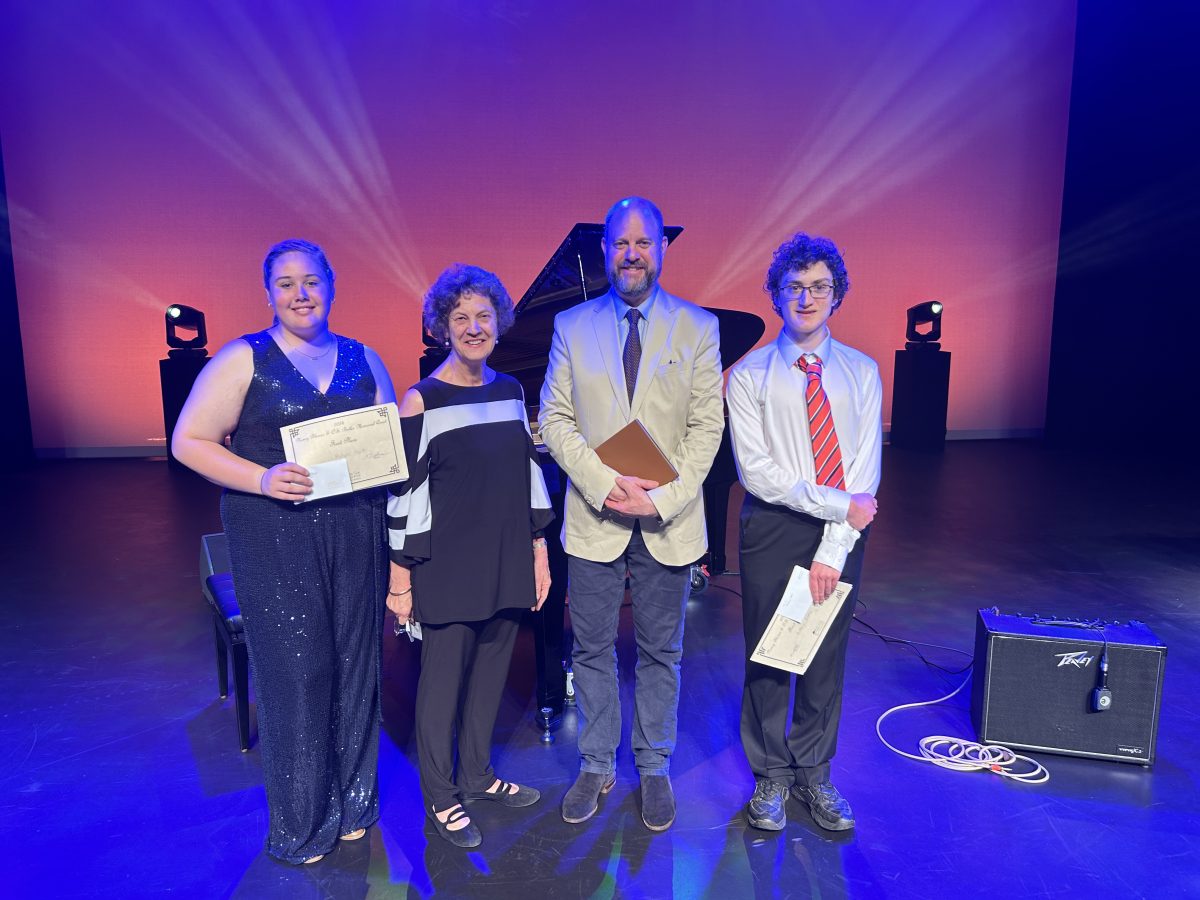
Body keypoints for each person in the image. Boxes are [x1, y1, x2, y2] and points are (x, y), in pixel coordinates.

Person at [172, 239, 396, 864]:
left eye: (312, 281)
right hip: (274, 532)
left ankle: (355, 802)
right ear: (267, 292)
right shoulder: (243, 359)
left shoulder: (364, 358)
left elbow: (383, 443)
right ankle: (301, 822)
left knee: (356, 664)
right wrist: (262, 478)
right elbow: (188, 441)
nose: (301, 294)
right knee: (297, 671)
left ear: (332, 285)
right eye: (286, 283)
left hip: (356, 528)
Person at [539, 197, 724, 832]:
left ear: (663, 249)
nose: (632, 254)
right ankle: (595, 762)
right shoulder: (571, 325)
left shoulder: (699, 328)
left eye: (644, 243)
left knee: (660, 651)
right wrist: (601, 483)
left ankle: (654, 765)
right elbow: (556, 421)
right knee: (590, 649)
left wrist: (661, 498)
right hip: (596, 516)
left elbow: (706, 429)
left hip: (669, 521)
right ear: (606, 251)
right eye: (621, 243)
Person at [387, 263, 554, 848]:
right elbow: (404, 495)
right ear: (442, 327)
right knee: (441, 684)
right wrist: (400, 579)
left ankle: (478, 776)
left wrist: (538, 550)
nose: (475, 327)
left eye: (484, 316)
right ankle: (441, 796)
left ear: (499, 323)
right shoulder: (420, 401)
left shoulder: (511, 392)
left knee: (490, 677)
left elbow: (528, 477)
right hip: (446, 566)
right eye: (461, 318)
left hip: (506, 556)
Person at [726, 232, 881, 833]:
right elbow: (758, 473)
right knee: (770, 652)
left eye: (819, 286)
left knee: (823, 653)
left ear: (836, 294)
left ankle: (815, 772)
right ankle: (771, 776)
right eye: (794, 287)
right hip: (773, 527)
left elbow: (865, 470)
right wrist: (837, 505)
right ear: (776, 296)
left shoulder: (862, 372)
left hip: (844, 530)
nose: (807, 297)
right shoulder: (749, 375)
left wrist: (837, 538)